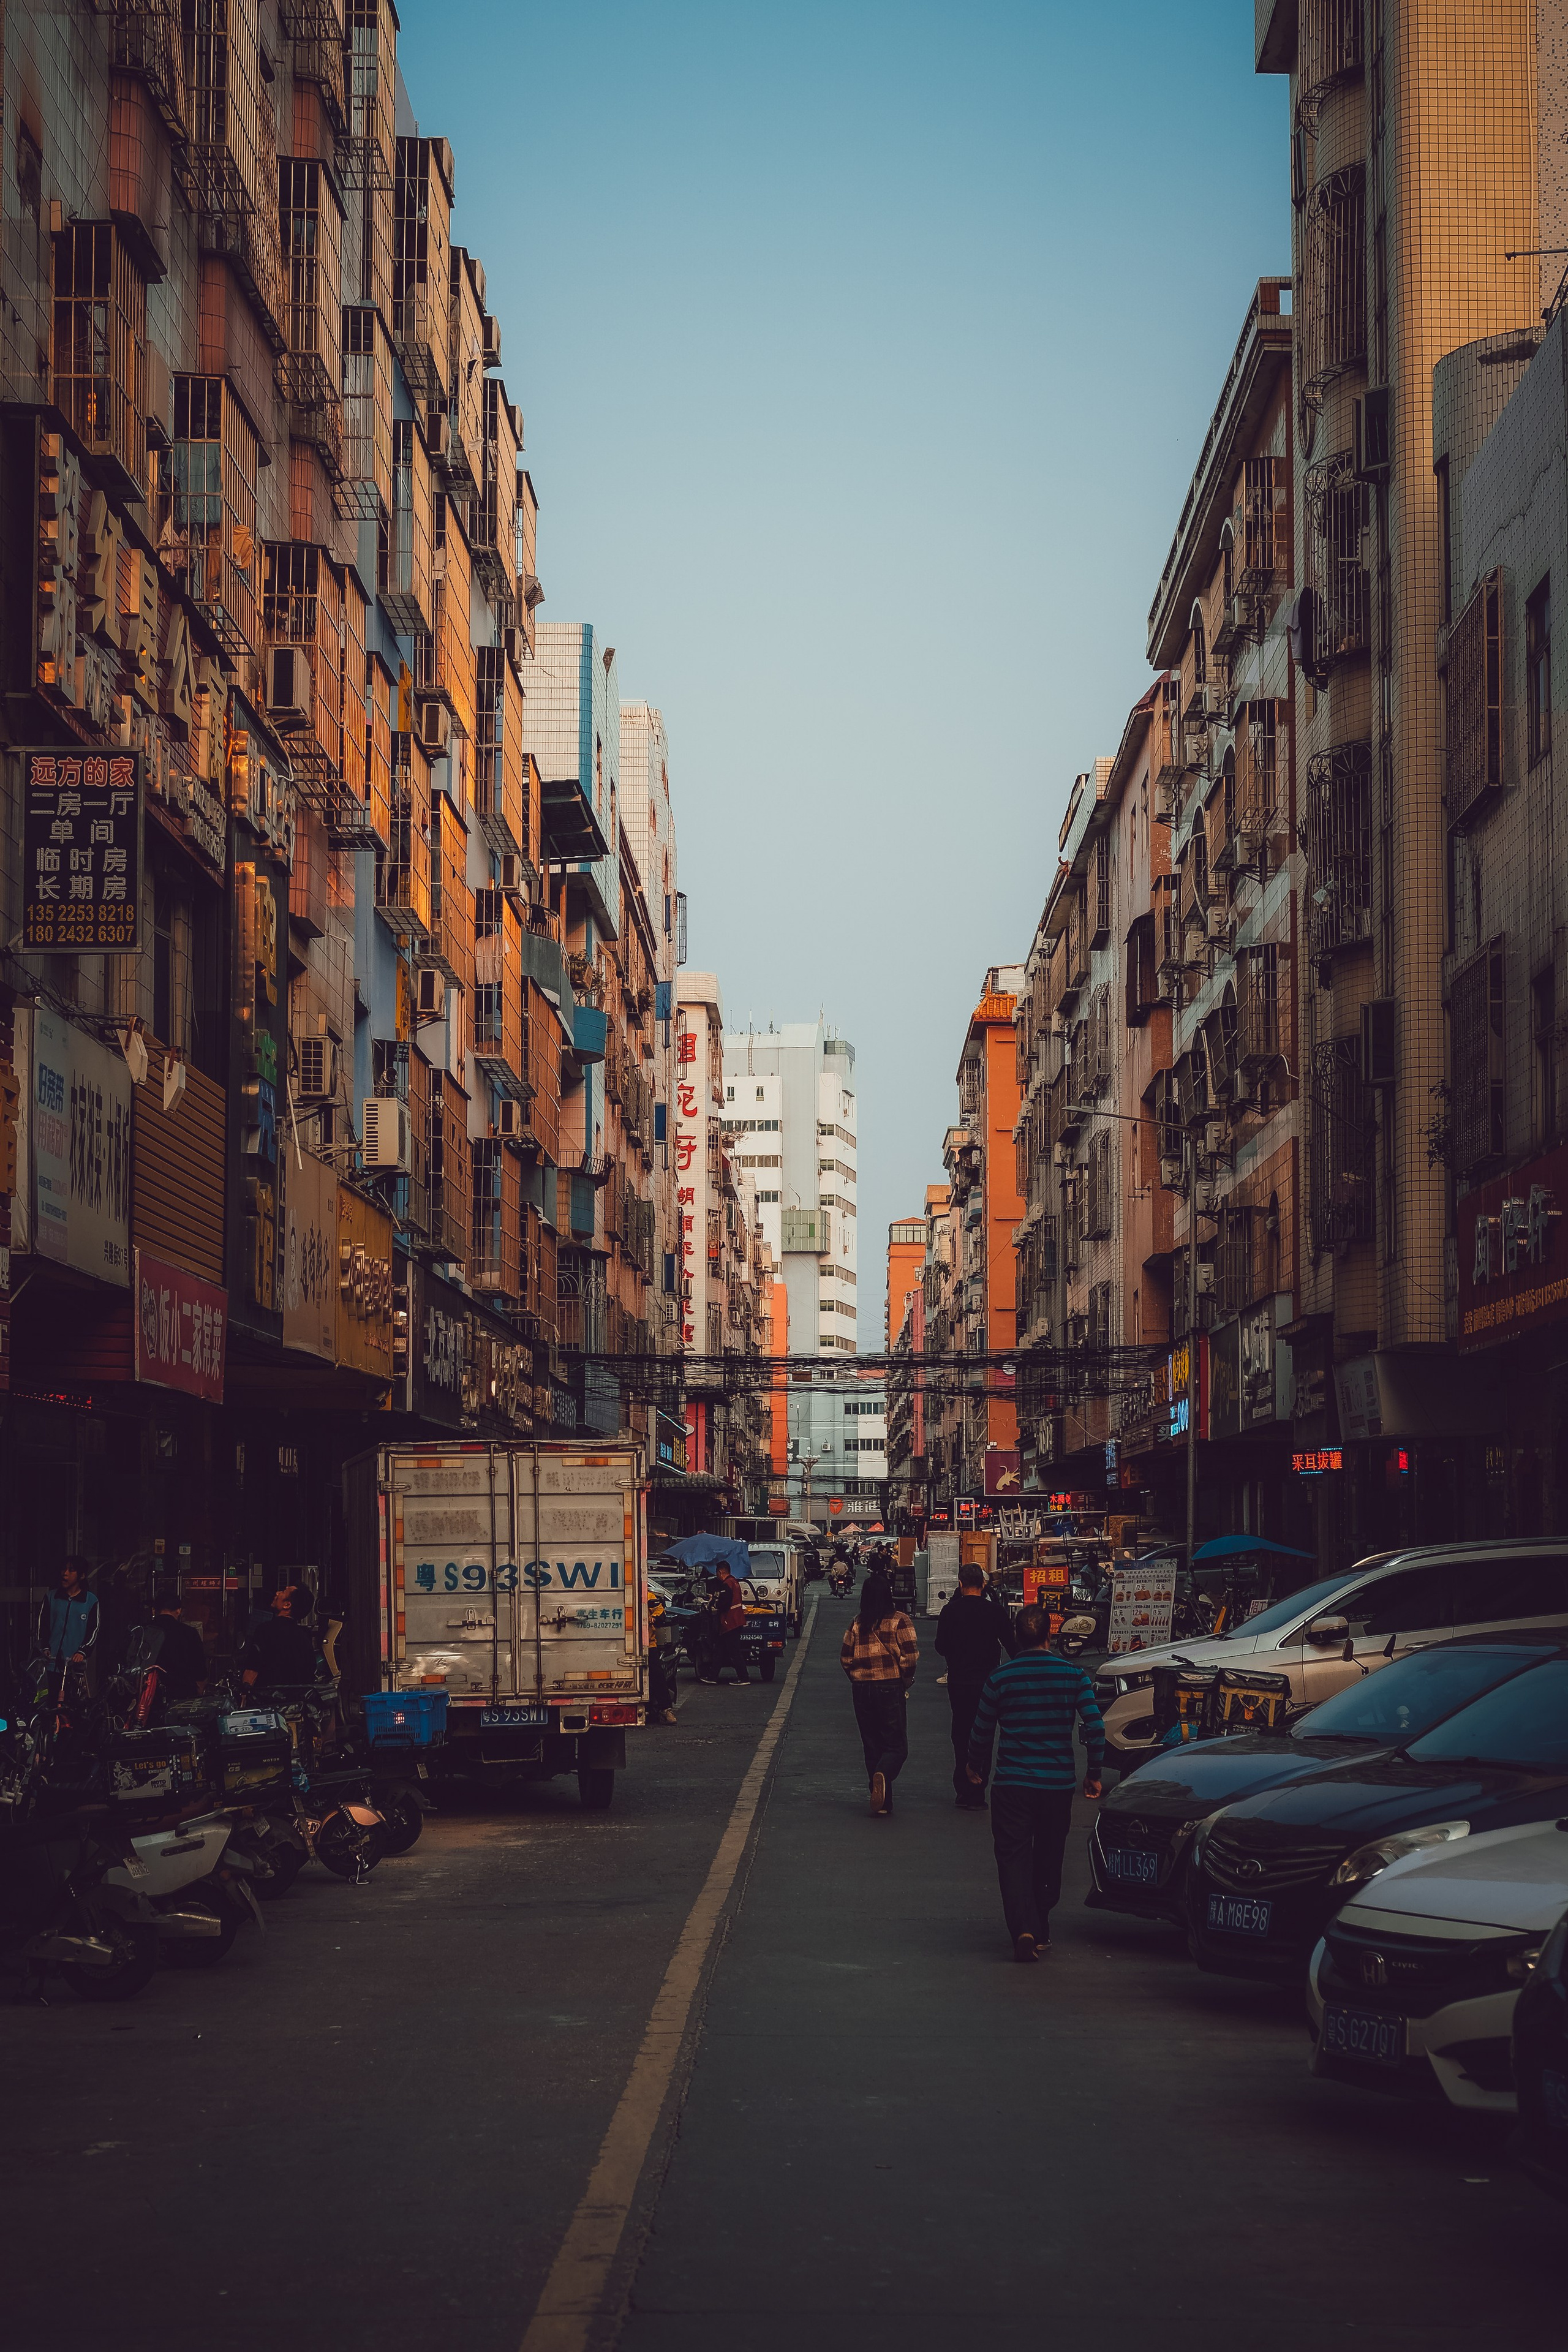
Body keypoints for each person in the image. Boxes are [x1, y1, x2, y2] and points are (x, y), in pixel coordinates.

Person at [965, 1602, 1105, 1962]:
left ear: (1016, 1637)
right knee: (1048, 1855)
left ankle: (1022, 1928)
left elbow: (981, 1730)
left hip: (1012, 1784)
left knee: (1012, 1857)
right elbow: (1095, 1727)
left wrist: (974, 1766)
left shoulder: (1000, 1678)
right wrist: (1094, 1773)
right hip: (1057, 1786)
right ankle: (1040, 1925)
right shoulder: (1074, 1676)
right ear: (1049, 1635)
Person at [839, 1566, 918, 1815]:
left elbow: (846, 1658)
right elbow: (911, 1656)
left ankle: (883, 1803)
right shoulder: (899, 1619)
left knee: (872, 1744)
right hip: (889, 1686)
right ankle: (883, 1774)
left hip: (861, 1689)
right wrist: (906, 1678)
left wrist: (857, 1677)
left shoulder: (857, 1623)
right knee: (896, 1746)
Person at [935, 1564, 1009, 1809]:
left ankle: (964, 1787)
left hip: (959, 1682)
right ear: (984, 1585)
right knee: (984, 1733)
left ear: (960, 1584)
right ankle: (978, 1786)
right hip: (989, 1683)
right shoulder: (995, 1612)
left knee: (961, 1732)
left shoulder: (950, 1611)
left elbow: (940, 1647)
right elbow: (1012, 1644)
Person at [240, 1584, 319, 1695]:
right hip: (298, 1703)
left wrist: (244, 1696)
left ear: (287, 1605)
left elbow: (253, 1668)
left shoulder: (265, 1630)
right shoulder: (305, 1636)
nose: (277, 1593)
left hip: (268, 1702)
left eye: (282, 1592)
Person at [37, 1557, 99, 1678]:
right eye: (64, 1569)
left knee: (70, 1696)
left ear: (81, 1576)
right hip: (50, 1662)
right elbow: (42, 1626)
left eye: (71, 1570)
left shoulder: (90, 1601)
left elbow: (93, 1631)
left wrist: (83, 1652)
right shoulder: (51, 1597)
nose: (65, 1573)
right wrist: (44, 1647)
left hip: (73, 1665)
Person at [147, 1587, 207, 1704]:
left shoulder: (143, 1631)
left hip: (148, 1697)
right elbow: (200, 1671)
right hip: (183, 1696)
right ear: (179, 1611)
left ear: (154, 1610)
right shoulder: (189, 1633)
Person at [701, 1562, 750, 1687]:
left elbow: (724, 1604)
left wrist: (713, 1603)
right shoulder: (734, 1582)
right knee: (719, 1650)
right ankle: (713, 1677)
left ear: (720, 1572)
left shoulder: (726, 1585)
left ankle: (744, 1677)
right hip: (733, 1622)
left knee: (734, 1652)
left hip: (730, 1623)